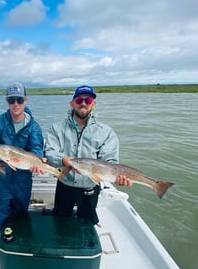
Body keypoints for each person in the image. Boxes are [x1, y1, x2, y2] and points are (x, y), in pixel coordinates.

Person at [44, 84, 132, 224]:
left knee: (87, 222)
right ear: (72, 103)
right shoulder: (57, 128)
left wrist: (118, 178)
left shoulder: (106, 132)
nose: (83, 103)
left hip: (90, 185)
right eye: (79, 100)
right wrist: (64, 160)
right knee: (60, 219)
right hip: (64, 184)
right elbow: (49, 151)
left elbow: (110, 162)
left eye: (88, 100)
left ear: (94, 104)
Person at [0, 82, 44, 254]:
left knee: (20, 213)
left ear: (25, 101)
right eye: (12, 100)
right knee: (0, 214)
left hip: (23, 180)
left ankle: (19, 244)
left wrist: (38, 161)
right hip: (2, 179)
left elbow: (36, 147)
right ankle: (1, 248)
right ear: (7, 101)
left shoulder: (34, 126)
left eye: (19, 100)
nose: (15, 104)